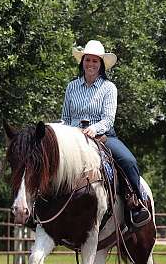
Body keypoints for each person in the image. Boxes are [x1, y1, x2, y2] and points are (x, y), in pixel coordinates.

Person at [61, 39, 151, 228]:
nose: (91, 64)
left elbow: (108, 119)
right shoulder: (71, 87)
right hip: (73, 138)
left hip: (102, 136)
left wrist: (94, 128)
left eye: (95, 61)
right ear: (82, 62)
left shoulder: (109, 88)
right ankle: (39, 206)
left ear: (101, 65)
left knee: (128, 161)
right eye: (88, 60)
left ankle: (137, 203)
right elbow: (66, 118)